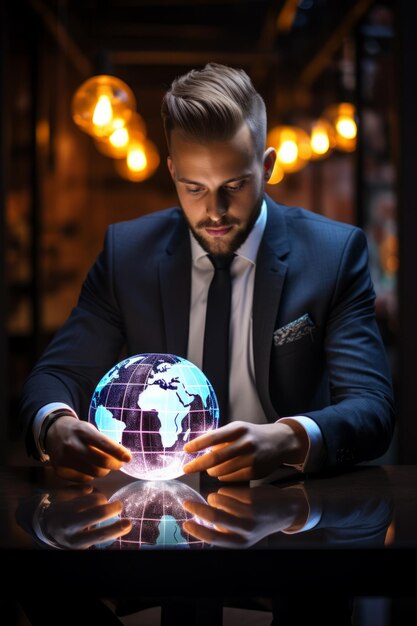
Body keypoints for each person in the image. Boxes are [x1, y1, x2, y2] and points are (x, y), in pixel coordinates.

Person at [19, 62, 395, 484]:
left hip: (289, 512)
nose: (215, 211)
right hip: (158, 515)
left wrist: (288, 440)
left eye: (234, 186)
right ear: (173, 172)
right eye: (194, 188)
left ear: (267, 166)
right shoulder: (126, 254)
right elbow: (57, 375)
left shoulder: (334, 254)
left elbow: (372, 408)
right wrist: (55, 425)